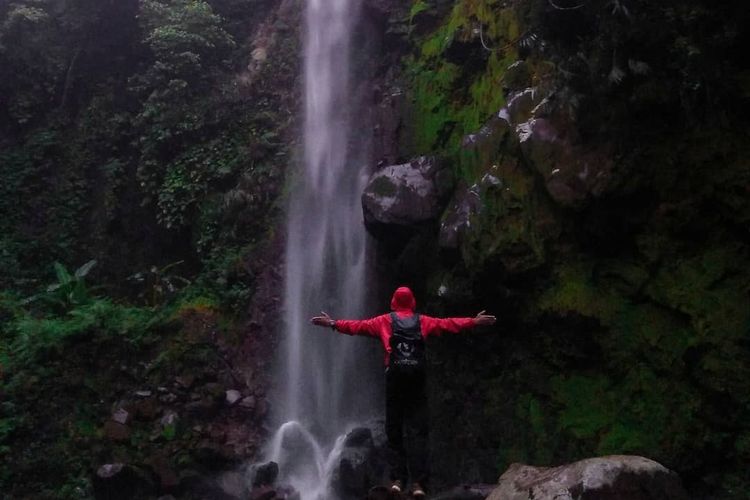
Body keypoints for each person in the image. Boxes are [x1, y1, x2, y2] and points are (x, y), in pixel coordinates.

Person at [310, 286, 496, 498]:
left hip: (395, 378)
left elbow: (357, 326)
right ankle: (418, 484)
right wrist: (473, 321)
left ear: (393, 303)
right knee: (418, 432)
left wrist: (333, 323)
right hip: (416, 378)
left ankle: (397, 479)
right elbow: (448, 324)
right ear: (413, 303)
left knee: (394, 429)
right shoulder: (423, 321)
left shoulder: (384, 321)